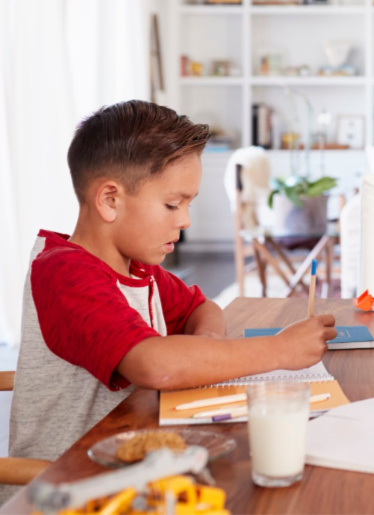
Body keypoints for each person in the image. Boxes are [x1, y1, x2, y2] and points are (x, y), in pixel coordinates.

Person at [1, 100, 336, 503]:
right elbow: (154, 366)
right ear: (109, 199)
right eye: (173, 204)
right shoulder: (65, 273)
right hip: (66, 493)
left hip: (136, 480)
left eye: (188, 204)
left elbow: (202, 307)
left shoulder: (138, 269)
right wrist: (280, 349)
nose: (185, 220)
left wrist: (206, 344)